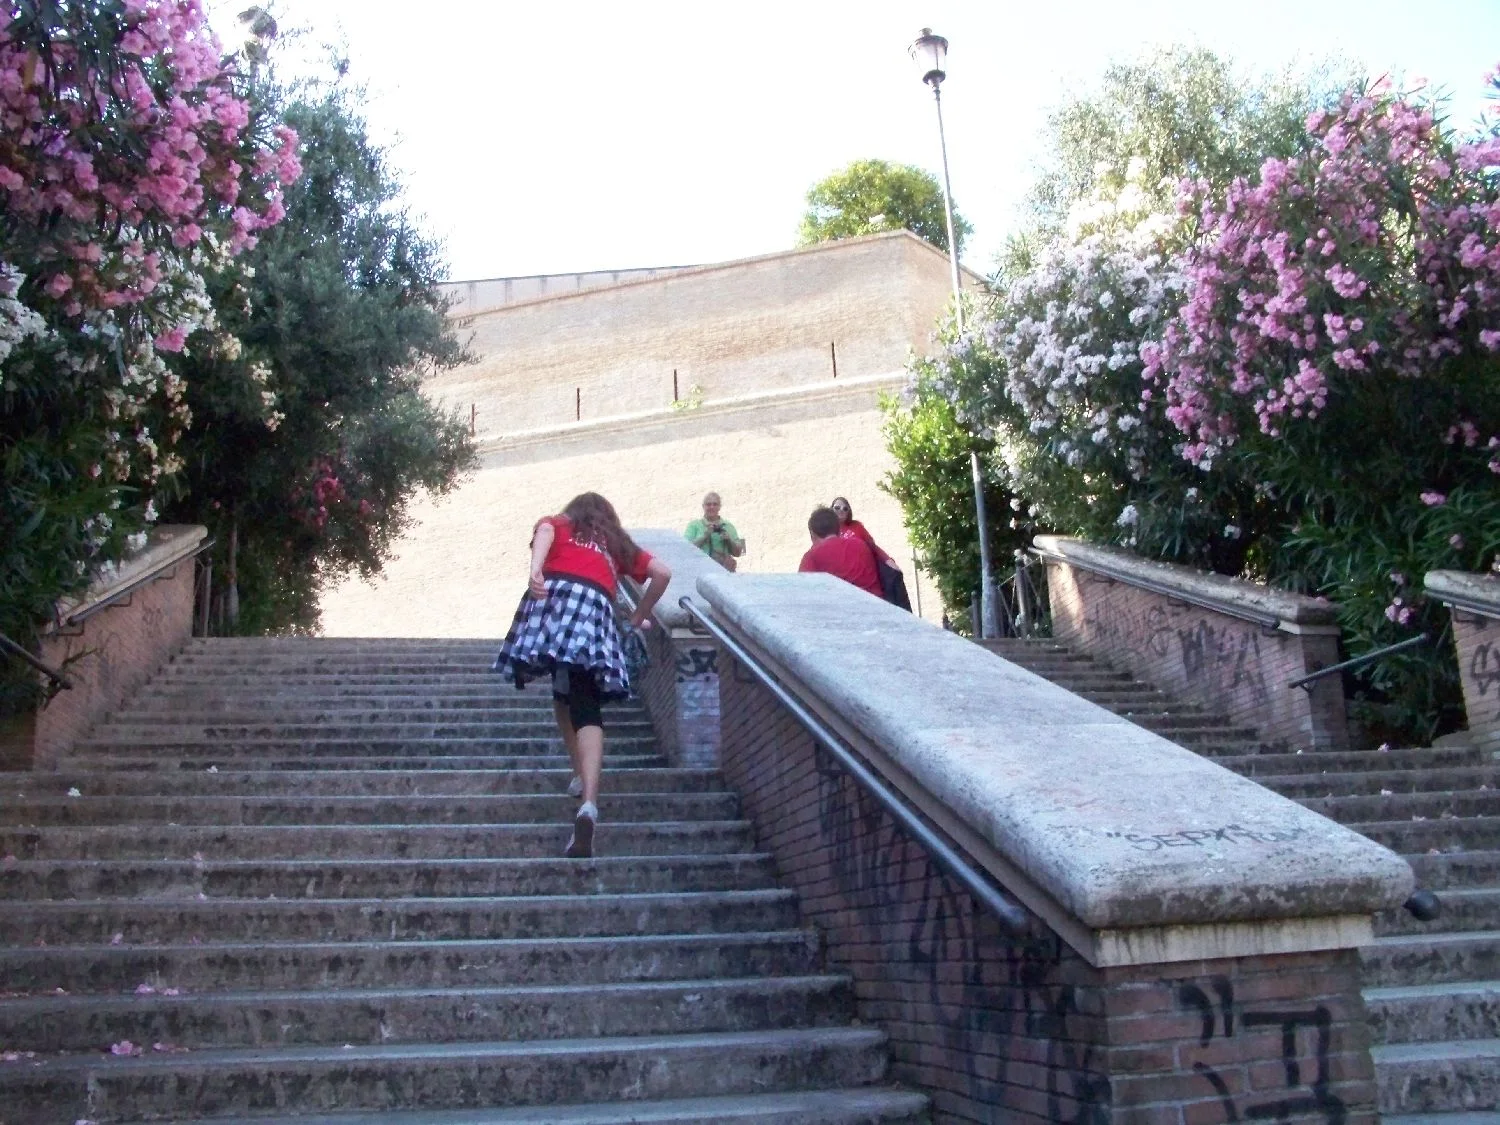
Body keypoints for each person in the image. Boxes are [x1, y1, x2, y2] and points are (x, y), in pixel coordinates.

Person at [493, 492, 671, 859]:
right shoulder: (616, 543)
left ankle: (580, 778)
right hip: (595, 608)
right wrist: (637, 617)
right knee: (583, 699)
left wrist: (536, 570)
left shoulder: (562, 523)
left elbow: (545, 530)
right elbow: (663, 573)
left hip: (557, 602)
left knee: (564, 686)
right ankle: (588, 799)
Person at [799, 506, 883, 598]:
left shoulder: (811, 556)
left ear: (812, 533)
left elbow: (803, 592)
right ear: (839, 529)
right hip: (877, 603)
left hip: (842, 605)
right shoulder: (860, 544)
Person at [684, 492, 745, 571]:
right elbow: (685, 549)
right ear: (703, 506)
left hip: (724, 572)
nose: (711, 507)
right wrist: (704, 536)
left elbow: (740, 553)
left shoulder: (729, 526)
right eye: (708, 504)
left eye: (715, 504)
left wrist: (729, 540)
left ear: (719, 507)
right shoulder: (693, 525)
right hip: (701, 571)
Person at [830, 496, 893, 566]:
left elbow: (873, 546)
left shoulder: (856, 525)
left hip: (865, 566)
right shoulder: (827, 530)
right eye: (837, 508)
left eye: (845, 509)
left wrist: (888, 560)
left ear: (848, 512)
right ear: (831, 509)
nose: (841, 510)